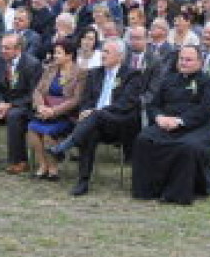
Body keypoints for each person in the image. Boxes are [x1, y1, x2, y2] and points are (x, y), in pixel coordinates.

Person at [49, 38, 144, 195]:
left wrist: (95, 112)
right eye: (102, 51)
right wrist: (87, 111)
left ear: (120, 56)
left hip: (119, 123)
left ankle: (64, 147)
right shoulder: (94, 73)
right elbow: (86, 101)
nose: (102, 55)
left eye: (107, 52)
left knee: (93, 117)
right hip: (95, 124)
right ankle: (83, 181)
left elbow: (125, 104)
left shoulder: (132, 75)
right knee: (89, 131)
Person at [131, 45, 210, 205]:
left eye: (189, 60)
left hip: (196, 127)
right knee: (144, 139)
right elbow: (153, 105)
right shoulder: (168, 79)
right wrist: (159, 117)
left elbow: (206, 110)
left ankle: (176, 193)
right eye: (181, 59)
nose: (184, 63)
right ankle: (147, 190)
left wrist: (180, 121)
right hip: (166, 123)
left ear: (200, 62)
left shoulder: (208, 82)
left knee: (187, 146)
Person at [0, 31, 42, 173]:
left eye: (7, 48)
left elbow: (34, 94)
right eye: (2, 47)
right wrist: (0, 102)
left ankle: (19, 160)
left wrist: (11, 105)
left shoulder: (32, 64)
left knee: (14, 115)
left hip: (25, 105)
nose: (3, 51)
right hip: (4, 102)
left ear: (18, 49)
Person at [26, 39, 85, 180]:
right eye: (54, 53)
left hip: (66, 115)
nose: (55, 56)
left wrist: (54, 111)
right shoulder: (50, 69)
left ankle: (53, 169)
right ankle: (43, 165)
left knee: (48, 133)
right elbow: (38, 91)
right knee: (32, 129)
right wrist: (40, 106)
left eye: (59, 53)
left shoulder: (80, 73)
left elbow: (76, 100)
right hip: (45, 110)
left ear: (69, 55)